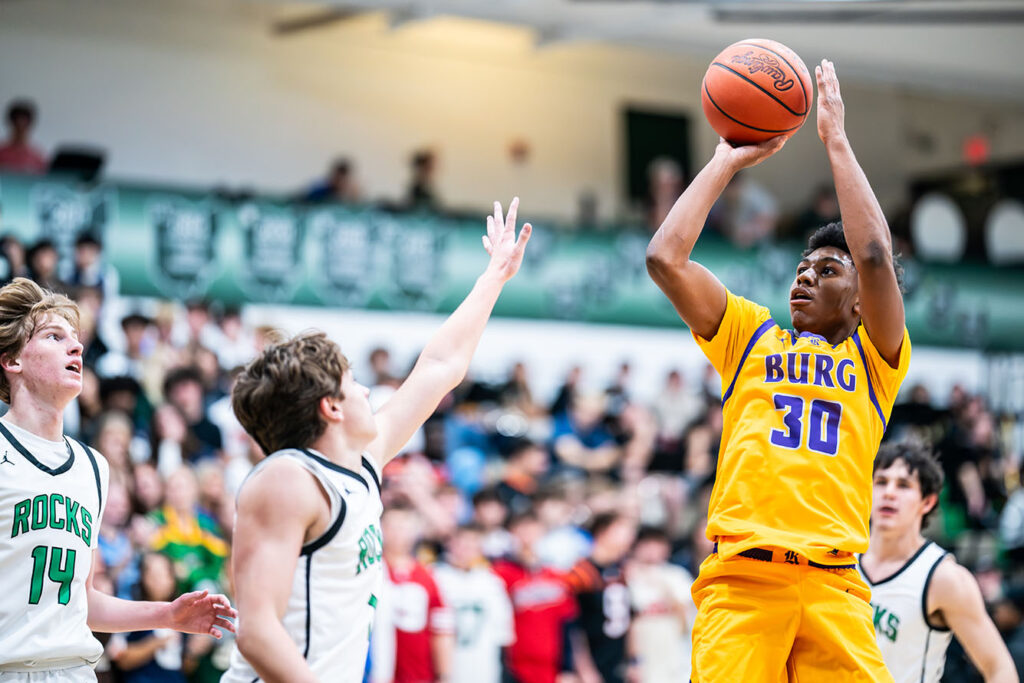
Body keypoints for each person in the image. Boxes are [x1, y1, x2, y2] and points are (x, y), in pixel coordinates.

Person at [646, 60, 908, 681]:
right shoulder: (750, 336)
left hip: (835, 585)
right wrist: (726, 161)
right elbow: (665, 258)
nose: (804, 276)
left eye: (826, 271)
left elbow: (873, 255)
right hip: (742, 582)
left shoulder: (874, 360)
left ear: (857, 300)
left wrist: (836, 143)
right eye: (801, 267)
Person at [222, 198, 531, 683]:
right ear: (332, 407)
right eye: (354, 382)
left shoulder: (360, 460)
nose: (369, 390)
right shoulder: (287, 480)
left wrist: (494, 277)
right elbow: (256, 631)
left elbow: (440, 368)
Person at [0, 277, 235, 681]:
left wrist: (169, 614)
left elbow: (84, 601)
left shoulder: (93, 467)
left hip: (75, 671)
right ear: (12, 360)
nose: (75, 346)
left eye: (75, 338)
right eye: (54, 337)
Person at [858, 444, 1018, 683]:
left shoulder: (943, 578)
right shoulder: (841, 557)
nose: (889, 492)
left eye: (903, 485)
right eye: (881, 482)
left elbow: (999, 668)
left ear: (928, 502)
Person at [381, 504, 454, 683]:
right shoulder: (371, 570)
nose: (398, 533)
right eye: (391, 526)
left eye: (404, 527)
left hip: (418, 675)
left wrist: (444, 675)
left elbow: (442, 630)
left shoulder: (427, 576)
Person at [433, 524, 515, 683]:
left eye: (472, 545)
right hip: (445, 671)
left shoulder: (492, 583)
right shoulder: (435, 576)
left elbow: (502, 636)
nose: (466, 550)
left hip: (483, 671)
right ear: (450, 544)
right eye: (462, 544)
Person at [563, 512, 637, 683]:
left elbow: (629, 619)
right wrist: (585, 670)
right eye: (623, 530)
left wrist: (633, 661)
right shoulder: (581, 573)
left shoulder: (620, 571)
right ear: (603, 531)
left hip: (617, 665)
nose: (630, 536)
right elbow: (574, 628)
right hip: (592, 665)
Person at [626, 526, 696, 683]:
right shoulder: (626, 575)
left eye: (657, 544)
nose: (652, 550)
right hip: (642, 653)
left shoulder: (677, 575)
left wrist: (661, 584)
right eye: (646, 544)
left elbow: (686, 616)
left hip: (673, 652)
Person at [0, 99, 47, 174]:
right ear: (11, 123)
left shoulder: (37, 157)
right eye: (17, 124)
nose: (21, 127)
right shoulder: (1, 153)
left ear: (30, 125)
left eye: (24, 124)